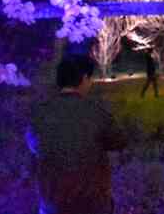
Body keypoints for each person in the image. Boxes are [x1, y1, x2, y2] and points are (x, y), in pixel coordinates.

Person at [27, 54, 127, 214]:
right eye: (90, 79)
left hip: (53, 203)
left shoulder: (40, 114)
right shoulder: (95, 111)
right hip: (92, 203)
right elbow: (119, 141)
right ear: (84, 78)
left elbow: (34, 144)